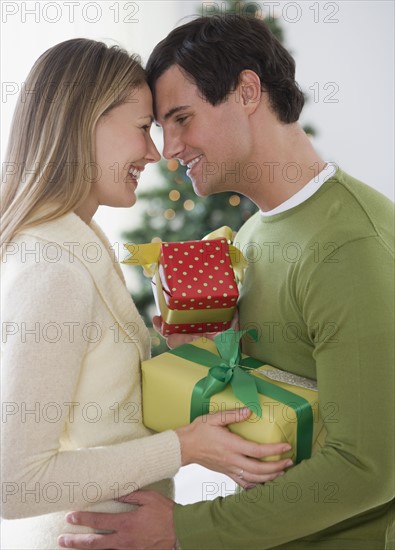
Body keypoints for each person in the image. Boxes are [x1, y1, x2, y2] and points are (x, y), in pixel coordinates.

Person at [57, 14, 395, 550]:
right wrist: (207, 357)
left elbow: (366, 468)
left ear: (246, 91)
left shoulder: (350, 248)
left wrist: (183, 529)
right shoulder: (256, 233)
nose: (168, 149)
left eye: (182, 118)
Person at [0, 37, 294, 550]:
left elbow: (97, 414)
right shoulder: (53, 267)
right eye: (142, 129)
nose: (155, 152)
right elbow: (12, 483)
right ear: (83, 121)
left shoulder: (78, 244)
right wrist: (183, 448)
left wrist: (175, 354)